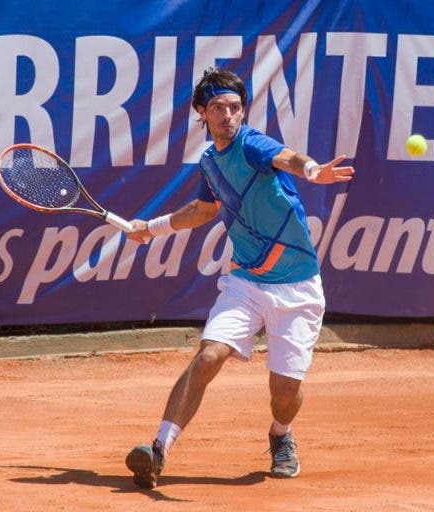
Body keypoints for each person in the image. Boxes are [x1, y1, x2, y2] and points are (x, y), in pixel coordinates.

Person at [124, 67, 354, 489]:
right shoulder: (210, 162)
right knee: (209, 355)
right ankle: (158, 450)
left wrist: (312, 169)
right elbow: (203, 211)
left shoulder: (251, 144)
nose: (228, 115)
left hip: (298, 286)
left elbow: (287, 157)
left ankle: (281, 435)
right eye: (217, 108)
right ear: (202, 114)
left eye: (234, 107)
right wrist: (150, 227)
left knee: (284, 390)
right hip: (246, 281)